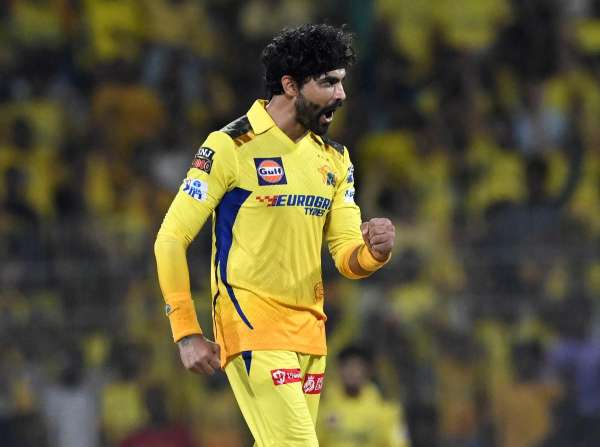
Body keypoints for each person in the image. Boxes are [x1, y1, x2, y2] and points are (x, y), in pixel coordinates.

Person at [154, 23, 395, 446]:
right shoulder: (230, 146)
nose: (341, 95)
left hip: (311, 334)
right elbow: (170, 239)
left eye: (341, 83)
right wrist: (186, 331)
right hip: (252, 327)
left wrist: (374, 251)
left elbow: (345, 256)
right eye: (328, 83)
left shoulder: (334, 159)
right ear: (289, 85)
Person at [318, 345, 410, 447]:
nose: (352, 372)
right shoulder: (322, 407)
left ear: (368, 371)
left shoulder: (384, 411)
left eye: (357, 367)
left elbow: (398, 443)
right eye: (347, 366)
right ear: (339, 369)